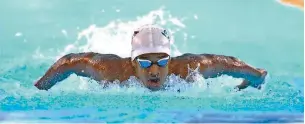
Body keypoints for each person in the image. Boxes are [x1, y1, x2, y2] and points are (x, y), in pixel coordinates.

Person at [34, 25, 267, 91]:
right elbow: (69, 62)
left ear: (170, 59)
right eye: (145, 62)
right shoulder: (112, 71)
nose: (154, 70)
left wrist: (255, 78)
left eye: (161, 62)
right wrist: (40, 88)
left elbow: (227, 63)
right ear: (133, 62)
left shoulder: (186, 69)